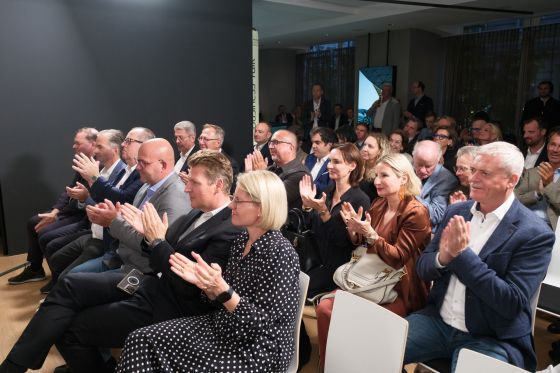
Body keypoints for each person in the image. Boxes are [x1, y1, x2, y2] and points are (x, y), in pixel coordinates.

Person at [0, 151, 241, 373]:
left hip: (169, 304)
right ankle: (14, 364)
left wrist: (156, 241)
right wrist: (150, 238)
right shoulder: (196, 212)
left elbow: (189, 287)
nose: (186, 188)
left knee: (69, 330)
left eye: (193, 183)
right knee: (69, 284)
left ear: (218, 185)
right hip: (147, 282)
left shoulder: (228, 229)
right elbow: (162, 253)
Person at [116, 170, 300, 373]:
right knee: (139, 339)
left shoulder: (281, 253)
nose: (231, 206)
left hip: (257, 350)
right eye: (233, 199)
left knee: (153, 349)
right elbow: (220, 300)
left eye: (238, 201)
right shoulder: (241, 242)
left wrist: (223, 290)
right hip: (224, 328)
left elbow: (262, 327)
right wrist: (207, 287)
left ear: (261, 209)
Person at [403, 141, 555, 372]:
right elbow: (423, 268)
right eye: (473, 170)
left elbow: (510, 302)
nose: (473, 178)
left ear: (511, 180)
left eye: (484, 173)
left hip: (491, 336)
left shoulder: (535, 233)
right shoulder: (457, 211)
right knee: (375, 348)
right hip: (437, 322)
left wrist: (461, 255)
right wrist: (442, 258)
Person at [315, 153, 432, 369]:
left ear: (403, 179)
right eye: (376, 175)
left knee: (355, 321)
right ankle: (330, 366)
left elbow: (398, 258)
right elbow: (362, 246)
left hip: (398, 288)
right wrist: (354, 231)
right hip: (369, 279)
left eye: (384, 176)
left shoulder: (416, 212)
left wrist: (370, 235)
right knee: (324, 308)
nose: (377, 181)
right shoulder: (379, 204)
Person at [45, 127, 153, 291]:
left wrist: (93, 180)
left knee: (68, 279)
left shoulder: (139, 176)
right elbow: (106, 201)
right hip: (102, 236)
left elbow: (120, 200)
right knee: (54, 253)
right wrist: (86, 198)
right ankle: (55, 294)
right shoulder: (128, 171)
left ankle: (56, 298)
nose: (124, 144)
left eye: (129, 141)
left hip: (112, 245)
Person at [8, 127, 97, 285]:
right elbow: (68, 191)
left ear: (92, 144)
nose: (73, 146)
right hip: (70, 210)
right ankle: (35, 269)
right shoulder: (83, 162)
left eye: (77, 143)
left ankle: (58, 277)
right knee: (33, 222)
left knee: (45, 233)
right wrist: (54, 212)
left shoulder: (98, 167)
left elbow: (96, 199)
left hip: (82, 215)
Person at [299, 143, 370, 298]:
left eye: (336, 162)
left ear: (352, 166)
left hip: (337, 268)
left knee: (295, 289)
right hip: (314, 261)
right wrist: (307, 206)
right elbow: (311, 227)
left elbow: (343, 242)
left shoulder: (359, 200)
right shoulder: (327, 192)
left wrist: (324, 212)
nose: (330, 166)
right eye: (330, 161)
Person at [246, 129, 310, 211]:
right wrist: (249, 174)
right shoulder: (271, 168)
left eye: (276, 142)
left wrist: (262, 174)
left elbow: (272, 201)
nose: (270, 146)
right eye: (270, 142)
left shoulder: (300, 175)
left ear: (291, 147)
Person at [516, 128, 560, 230]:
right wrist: (537, 194)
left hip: (552, 231)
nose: (555, 150)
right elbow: (513, 200)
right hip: (523, 225)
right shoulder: (532, 172)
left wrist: (548, 186)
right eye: (553, 144)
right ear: (548, 146)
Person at [413, 140, 458, 231]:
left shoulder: (446, 179)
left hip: (423, 232)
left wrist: (410, 194)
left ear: (438, 161)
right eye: (419, 164)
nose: (422, 170)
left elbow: (436, 215)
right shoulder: (406, 166)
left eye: (428, 166)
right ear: (413, 156)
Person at [304, 127, 336, 196]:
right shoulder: (310, 158)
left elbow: (329, 189)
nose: (313, 146)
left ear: (329, 145)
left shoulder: (334, 162)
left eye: (317, 143)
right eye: (312, 142)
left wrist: (307, 185)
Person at [359, 132, 391, 203]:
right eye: (364, 145)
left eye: (370, 146)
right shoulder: (358, 166)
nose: (364, 149)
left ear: (380, 151)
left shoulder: (383, 172)